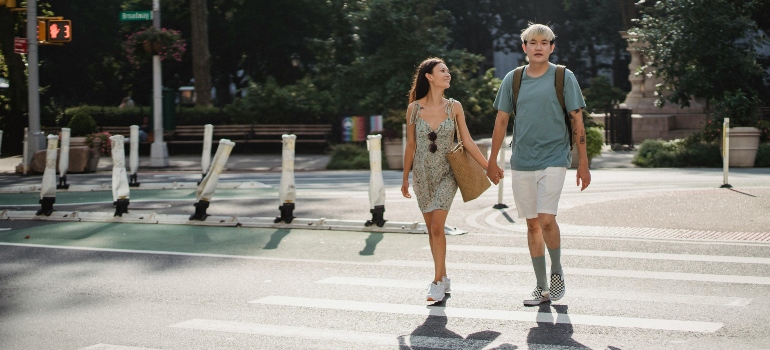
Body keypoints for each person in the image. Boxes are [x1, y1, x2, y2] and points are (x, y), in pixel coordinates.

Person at [486, 24, 591, 306]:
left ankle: (556, 273)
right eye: (532, 42)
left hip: (555, 157)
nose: (538, 47)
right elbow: (501, 121)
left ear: (552, 47)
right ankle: (541, 286)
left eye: (544, 42)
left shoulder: (563, 76)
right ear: (524, 47)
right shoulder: (514, 78)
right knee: (532, 224)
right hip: (522, 160)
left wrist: (583, 163)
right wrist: (492, 159)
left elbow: (577, 120)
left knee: (546, 219)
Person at [401, 57, 489, 303]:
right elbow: (411, 145)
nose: (448, 74)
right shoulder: (414, 109)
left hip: (446, 173)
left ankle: (437, 283)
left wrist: (488, 166)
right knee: (432, 230)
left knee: (438, 227)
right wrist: (405, 178)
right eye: (442, 71)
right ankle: (444, 274)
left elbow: (468, 141)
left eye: (448, 70)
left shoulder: (454, 107)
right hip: (421, 175)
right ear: (429, 76)